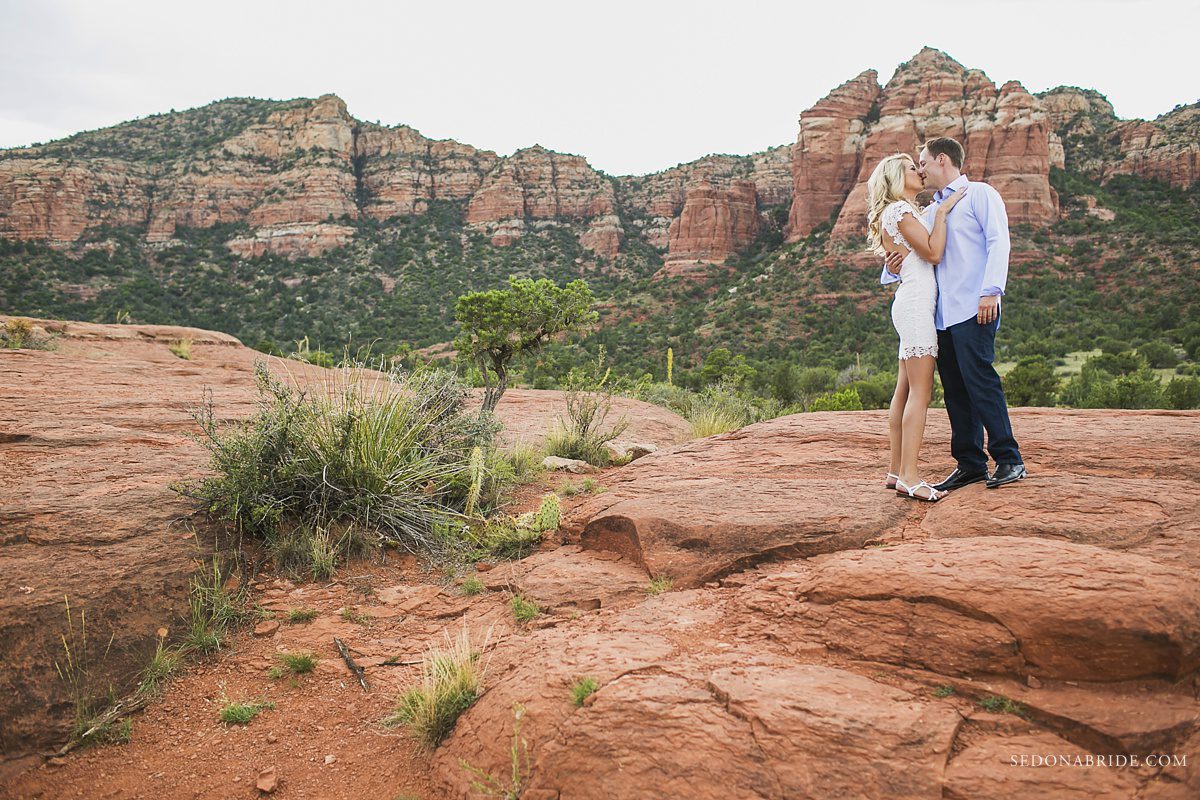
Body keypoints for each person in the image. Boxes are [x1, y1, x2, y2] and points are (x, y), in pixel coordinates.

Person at [882, 137, 1026, 491]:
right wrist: (890, 266)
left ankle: (1008, 458)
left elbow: (999, 242)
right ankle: (970, 463)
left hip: (975, 306)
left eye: (923, 162)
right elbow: (913, 254)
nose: (919, 169)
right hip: (940, 316)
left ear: (941, 159)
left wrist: (991, 291)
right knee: (955, 390)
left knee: (980, 379)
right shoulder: (932, 210)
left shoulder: (980, 194)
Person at [868, 153, 966, 501]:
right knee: (920, 393)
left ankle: (896, 471)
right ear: (897, 177)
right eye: (912, 168)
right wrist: (941, 213)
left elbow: (906, 258)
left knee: (905, 391)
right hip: (916, 305)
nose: (919, 172)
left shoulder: (897, 212)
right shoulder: (900, 211)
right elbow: (933, 253)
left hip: (911, 302)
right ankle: (910, 476)